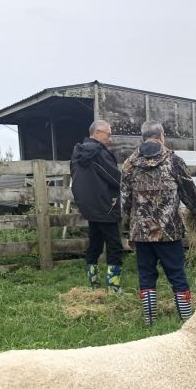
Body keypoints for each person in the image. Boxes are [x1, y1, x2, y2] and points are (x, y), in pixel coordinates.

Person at [121, 121, 196, 325]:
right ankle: (186, 319)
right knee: (177, 274)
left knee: (146, 276)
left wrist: (130, 228)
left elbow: (125, 201)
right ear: (162, 135)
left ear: (142, 137)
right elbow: (189, 193)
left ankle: (149, 320)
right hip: (169, 231)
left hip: (141, 232)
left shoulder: (129, 164)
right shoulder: (174, 161)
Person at [70, 120, 123, 293]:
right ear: (97, 133)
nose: (110, 138)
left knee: (95, 245)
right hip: (106, 206)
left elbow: (74, 177)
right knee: (114, 247)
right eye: (108, 134)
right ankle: (114, 287)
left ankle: (94, 284)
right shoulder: (99, 153)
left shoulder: (77, 153)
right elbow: (115, 179)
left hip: (88, 208)